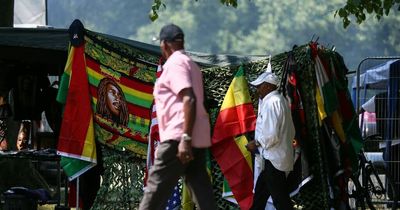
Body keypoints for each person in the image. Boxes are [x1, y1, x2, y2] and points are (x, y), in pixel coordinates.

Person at [139, 24, 217, 210]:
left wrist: (185, 138)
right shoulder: (192, 66)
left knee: (154, 190)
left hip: (178, 138)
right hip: (195, 139)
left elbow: (189, 99)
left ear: (165, 45)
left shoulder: (175, 64)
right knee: (202, 192)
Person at [246, 69, 295, 210]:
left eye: (259, 86)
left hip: (274, 158)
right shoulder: (279, 100)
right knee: (261, 195)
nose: (257, 90)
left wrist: (255, 143)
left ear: (267, 86)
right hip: (276, 157)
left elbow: (271, 134)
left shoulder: (271, 102)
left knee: (280, 200)